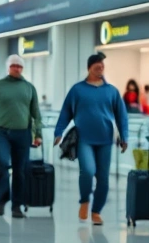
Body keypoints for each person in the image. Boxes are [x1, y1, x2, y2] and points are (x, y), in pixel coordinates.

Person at [53, 53, 129, 225]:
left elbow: (122, 116)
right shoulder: (77, 90)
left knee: (103, 178)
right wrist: (59, 132)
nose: (100, 68)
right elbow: (66, 112)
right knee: (87, 171)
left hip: (106, 140)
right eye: (97, 66)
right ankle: (84, 201)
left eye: (102, 66)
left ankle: (96, 211)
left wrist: (124, 136)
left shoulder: (111, 91)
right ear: (89, 68)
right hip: (84, 139)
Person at [0, 55, 43, 219]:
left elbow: (36, 113)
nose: (17, 69)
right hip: (1, 132)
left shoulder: (29, 88)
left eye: (20, 66)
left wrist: (38, 134)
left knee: (20, 170)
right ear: (8, 68)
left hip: (22, 133)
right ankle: (1, 200)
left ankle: (17, 205)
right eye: (14, 66)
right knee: (2, 164)